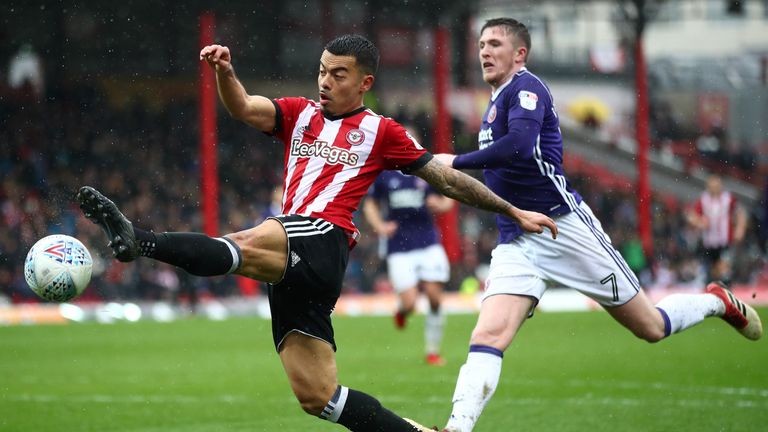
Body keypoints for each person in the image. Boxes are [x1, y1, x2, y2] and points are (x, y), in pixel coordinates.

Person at [76, 34, 557, 432]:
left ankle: (141, 240)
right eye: (322, 71)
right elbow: (243, 107)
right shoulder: (298, 113)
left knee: (242, 243)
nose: (325, 81)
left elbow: (446, 178)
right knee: (319, 398)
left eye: (338, 74)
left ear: (365, 82)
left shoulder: (382, 131)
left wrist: (512, 209)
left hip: (322, 238)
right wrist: (225, 72)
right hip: (292, 256)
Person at [432, 18, 763, 432]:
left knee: (651, 327)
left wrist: (455, 161)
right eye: (481, 43)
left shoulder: (527, 88)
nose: (484, 51)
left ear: (520, 54)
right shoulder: (496, 99)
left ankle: (716, 301)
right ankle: (456, 428)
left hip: (563, 228)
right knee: (488, 333)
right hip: (517, 238)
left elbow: (518, 148)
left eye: (495, 43)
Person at [362, 156, 454, 366]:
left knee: (435, 298)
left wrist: (441, 204)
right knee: (411, 303)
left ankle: (432, 351)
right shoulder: (385, 176)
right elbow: (370, 204)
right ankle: (402, 310)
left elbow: (451, 191)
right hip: (399, 246)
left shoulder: (426, 171)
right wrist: (380, 226)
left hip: (428, 242)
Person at [685, 174, 747, 284]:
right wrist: (699, 222)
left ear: (721, 186)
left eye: (716, 185)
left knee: (724, 267)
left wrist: (740, 229)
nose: (714, 188)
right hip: (709, 242)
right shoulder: (703, 199)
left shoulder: (728, 198)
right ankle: (716, 289)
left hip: (725, 240)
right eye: (711, 186)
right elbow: (691, 216)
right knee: (713, 271)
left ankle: (727, 288)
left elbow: (740, 212)